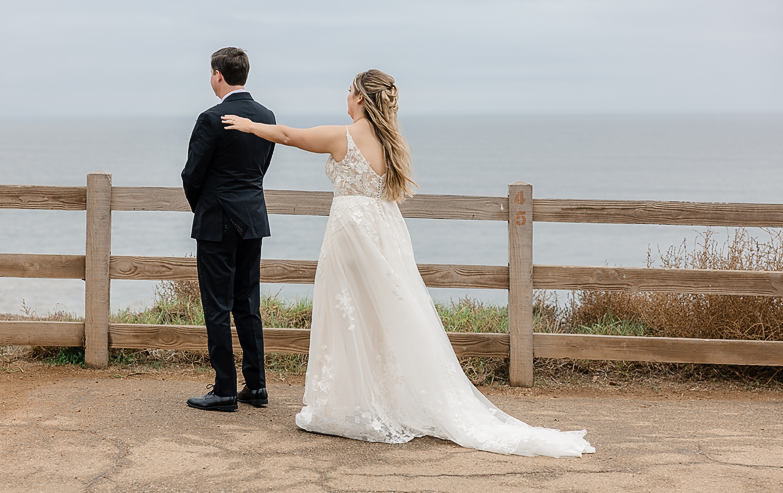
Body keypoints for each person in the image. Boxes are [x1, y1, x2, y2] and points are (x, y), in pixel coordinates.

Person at [221, 69, 595, 457]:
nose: (345, 98)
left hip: (350, 232)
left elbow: (287, 136)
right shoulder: (391, 142)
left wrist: (249, 126)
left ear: (362, 99)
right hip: (384, 231)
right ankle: (382, 399)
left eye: (349, 92)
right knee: (385, 313)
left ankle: (353, 404)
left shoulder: (342, 136)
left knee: (348, 313)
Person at [181, 47, 276, 412]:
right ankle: (256, 387)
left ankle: (223, 390)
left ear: (218, 75)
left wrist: (205, 207)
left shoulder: (211, 118)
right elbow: (261, 167)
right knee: (248, 304)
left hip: (217, 222)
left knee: (217, 305)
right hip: (252, 218)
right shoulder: (265, 116)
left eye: (210, 73)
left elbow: (192, 174)